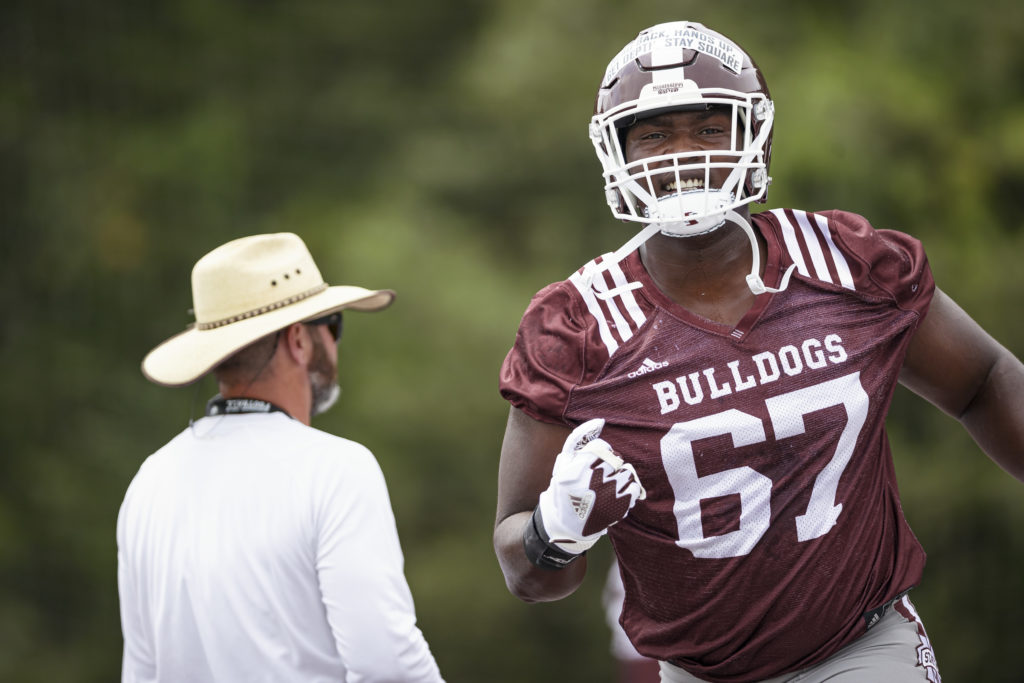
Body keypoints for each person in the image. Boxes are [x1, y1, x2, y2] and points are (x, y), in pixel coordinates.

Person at [493, 20, 1024, 683]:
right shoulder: (576, 327)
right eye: (654, 133)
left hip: (860, 647)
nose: (682, 153)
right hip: (698, 673)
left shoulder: (847, 265)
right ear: (617, 153)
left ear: (754, 136)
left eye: (710, 128)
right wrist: (555, 528)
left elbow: (983, 379)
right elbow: (528, 573)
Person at [118, 233, 444, 682]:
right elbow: (387, 664)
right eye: (332, 324)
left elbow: (141, 671)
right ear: (298, 339)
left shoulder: (149, 481)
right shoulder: (337, 470)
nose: (335, 343)